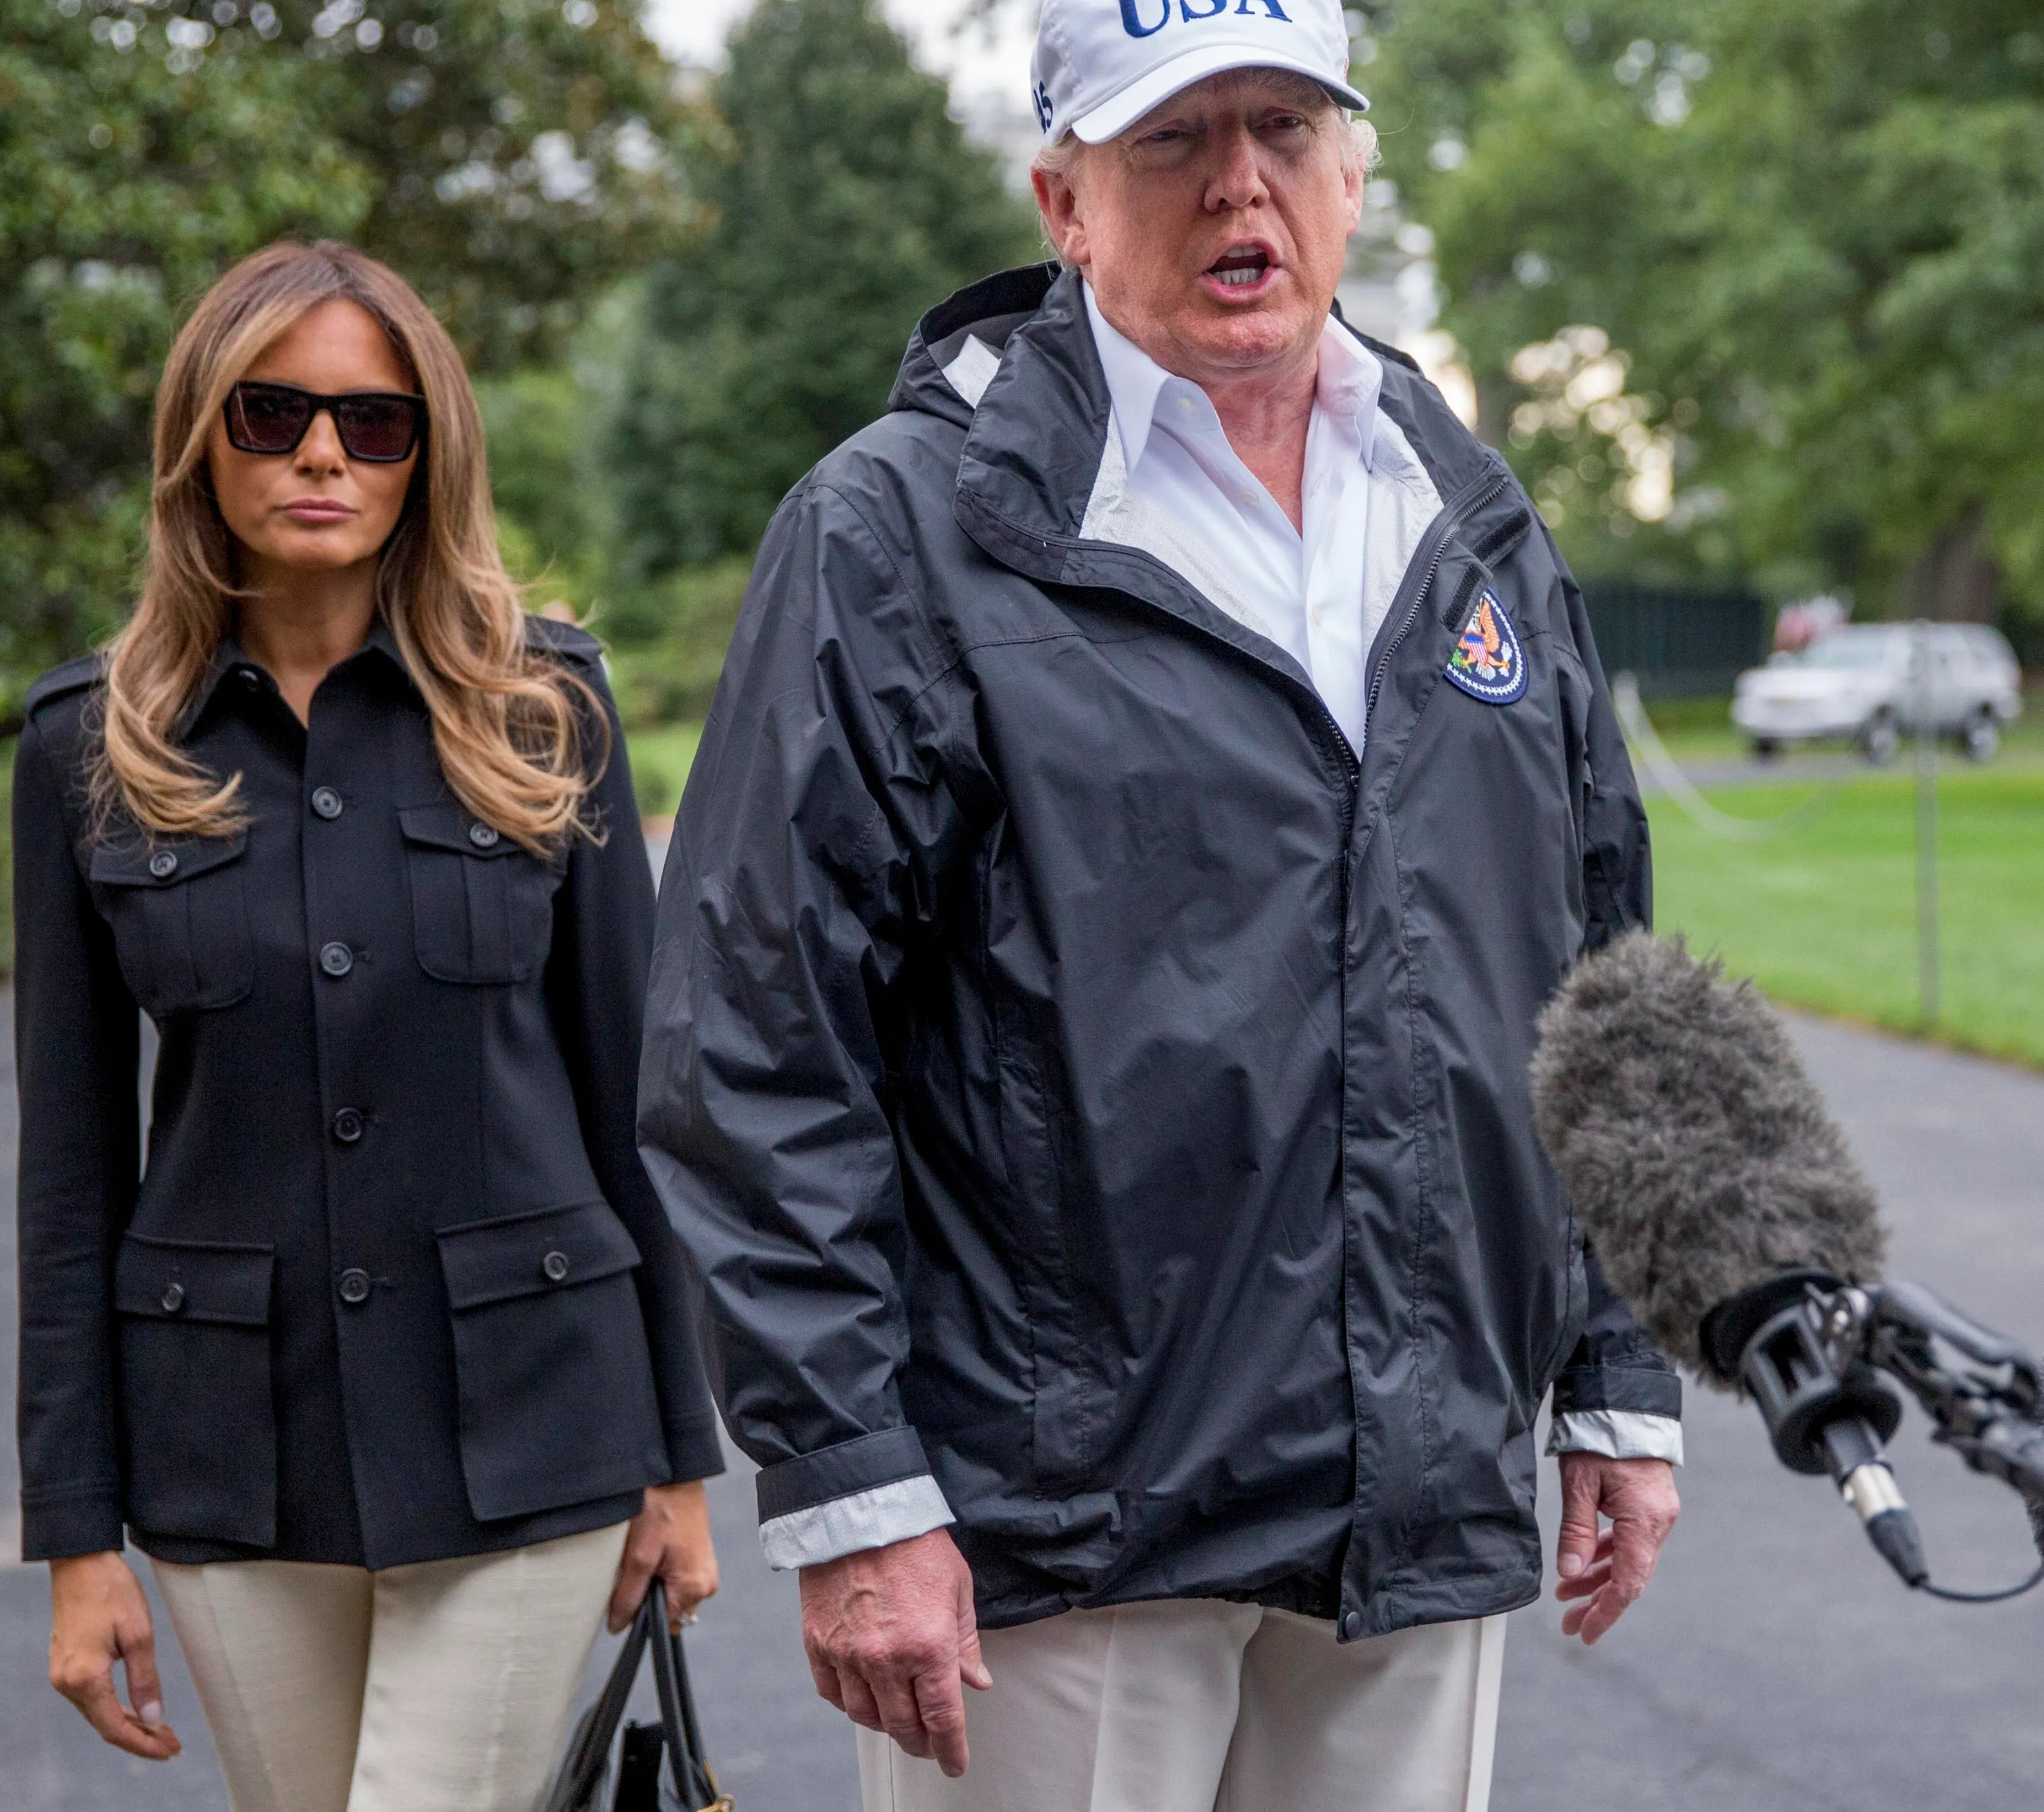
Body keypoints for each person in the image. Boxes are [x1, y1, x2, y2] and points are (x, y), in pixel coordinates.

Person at [635, 0, 1683, 1804]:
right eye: (1171, 142)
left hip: (1414, 1491)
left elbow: (1597, 958)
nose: (1237, 185)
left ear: (1354, 177)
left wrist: (1615, 1367)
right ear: (1063, 199)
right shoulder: (896, 531)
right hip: (1059, 1522)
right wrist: (855, 1489)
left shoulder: (1471, 514)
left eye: (1282, 127)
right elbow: (755, 1038)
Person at [11, 240, 721, 1812]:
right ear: (204, 437)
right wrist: (76, 1533)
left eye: (372, 420)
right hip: (228, 1457)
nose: (323, 451)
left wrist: (681, 1451)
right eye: (272, 414)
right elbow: (70, 1170)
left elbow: (638, 1100)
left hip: (536, 1420)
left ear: (428, 453)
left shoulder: (549, 708)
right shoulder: (88, 743)